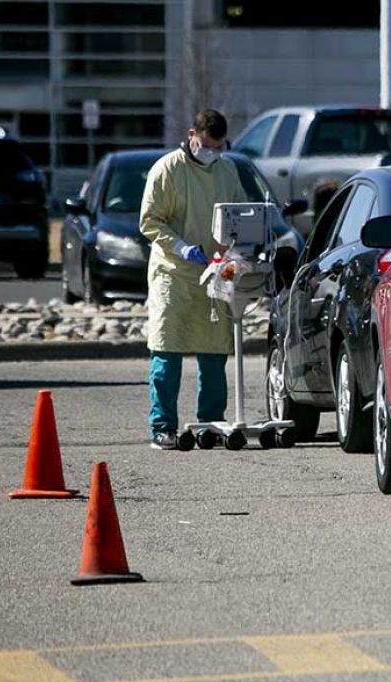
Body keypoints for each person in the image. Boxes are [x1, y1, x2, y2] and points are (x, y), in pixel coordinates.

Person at [139, 109, 247, 450]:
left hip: (215, 271)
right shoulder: (167, 170)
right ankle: (163, 427)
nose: (211, 153)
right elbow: (151, 221)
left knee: (215, 350)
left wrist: (233, 255)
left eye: (218, 147)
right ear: (191, 136)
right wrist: (182, 248)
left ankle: (210, 423)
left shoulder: (226, 170)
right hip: (173, 272)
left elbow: (242, 215)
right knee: (167, 349)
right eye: (206, 145)